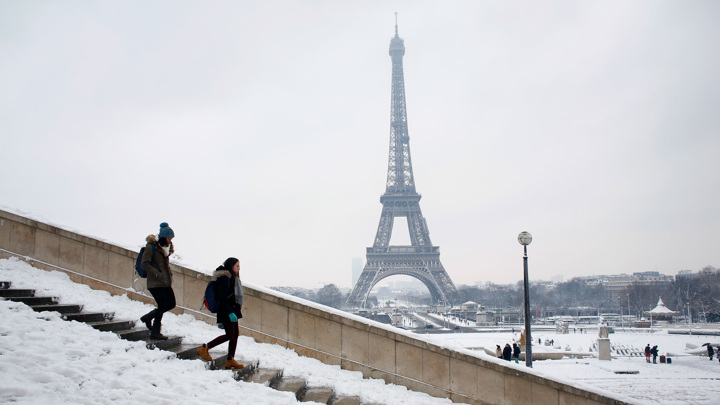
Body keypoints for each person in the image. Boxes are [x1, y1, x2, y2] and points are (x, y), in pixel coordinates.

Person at [197, 257, 245, 369]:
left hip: (232, 309)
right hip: (226, 310)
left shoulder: (233, 278)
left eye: (239, 266)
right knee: (230, 334)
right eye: (237, 266)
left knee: (235, 334)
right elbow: (222, 297)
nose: (239, 268)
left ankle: (230, 359)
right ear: (230, 265)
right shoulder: (224, 278)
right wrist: (229, 312)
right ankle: (205, 348)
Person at [139, 222, 176, 340]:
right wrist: (157, 273)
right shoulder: (151, 247)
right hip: (155, 283)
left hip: (165, 282)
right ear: (163, 237)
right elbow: (144, 264)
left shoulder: (166, 248)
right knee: (163, 305)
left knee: (171, 304)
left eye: (171, 238)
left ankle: (148, 318)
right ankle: (155, 331)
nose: (170, 240)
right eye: (169, 238)